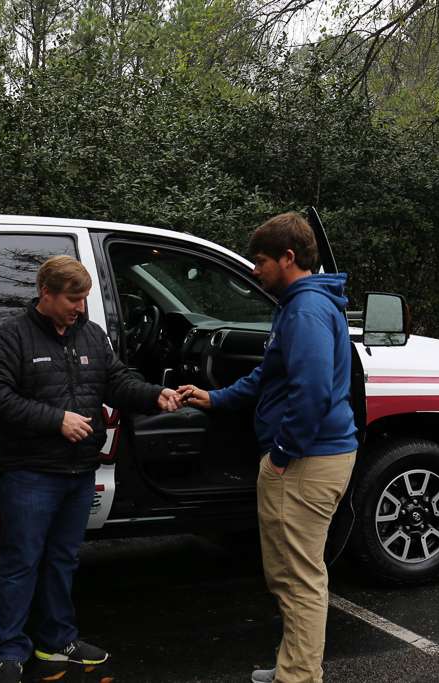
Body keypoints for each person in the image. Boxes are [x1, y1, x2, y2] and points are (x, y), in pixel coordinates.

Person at [0, 255, 182, 683]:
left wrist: (153, 395)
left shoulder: (90, 335)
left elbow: (117, 382)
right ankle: (9, 650)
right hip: (30, 472)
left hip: (78, 471)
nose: (81, 307)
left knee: (63, 560)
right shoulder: (9, 338)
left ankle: (57, 640)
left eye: (85, 298)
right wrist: (57, 420)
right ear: (45, 294)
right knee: (22, 562)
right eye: (73, 299)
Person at [179, 212, 358, 683]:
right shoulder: (300, 305)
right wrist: (215, 397)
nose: (254, 270)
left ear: (288, 258)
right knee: (291, 574)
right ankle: (293, 668)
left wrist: (282, 453)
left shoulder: (306, 311)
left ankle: (297, 677)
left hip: (306, 461)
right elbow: (270, 376)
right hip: (313, 456)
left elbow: (313, 391)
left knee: (297, 578)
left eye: (260, 261)